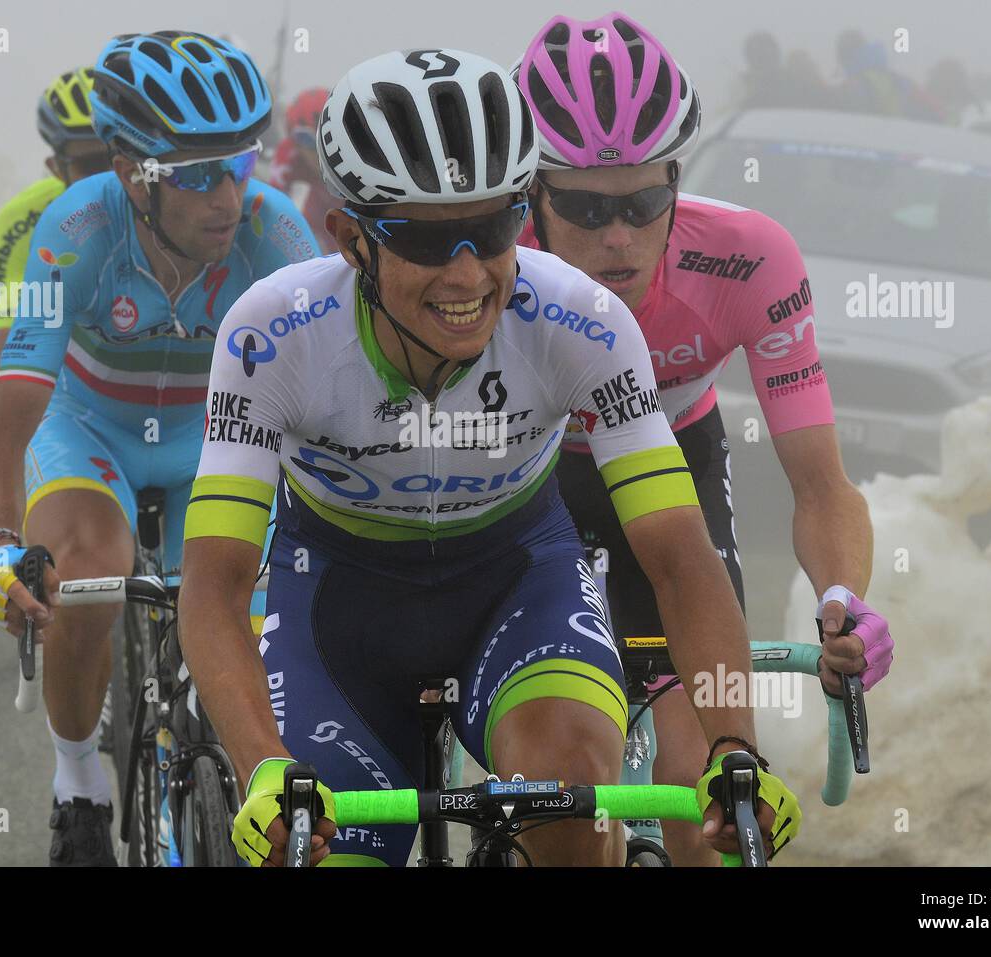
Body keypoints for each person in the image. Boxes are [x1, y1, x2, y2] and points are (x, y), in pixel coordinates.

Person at [179, 46, 803, 868]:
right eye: (429, 241)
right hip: (338, 605)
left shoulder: (582, 320)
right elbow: (215, 583)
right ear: (351, 240)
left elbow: (683, 559)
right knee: (318, 848)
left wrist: (734, 746)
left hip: (518, 580)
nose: (468, 272)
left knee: (576, 804)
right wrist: (264, 766)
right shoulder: (273, 335)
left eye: (493, 226)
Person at [514, 12, 894, 865]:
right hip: (531, 480)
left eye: (645, 203)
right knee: (573, 785)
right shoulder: (487, 266)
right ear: (531, 196)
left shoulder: (753, 259)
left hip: (676, 466)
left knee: (704, 792)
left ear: (677, 184)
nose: (617, 234)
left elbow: (821, 485)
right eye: (581, 205)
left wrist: (844, 596)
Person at [0, 30, 318, 867]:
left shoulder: (277, 231)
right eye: (195, 175)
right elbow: (5, 429)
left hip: (214, 437)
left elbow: (327, 412)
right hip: (90, 429)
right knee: (89, 568)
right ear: (132, 176)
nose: (227, 197)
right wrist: (3, 549)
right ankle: (78, 780)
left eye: (238, 164)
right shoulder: (77, 229)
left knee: (258, 618)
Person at [0, 68, 112, 406]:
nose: (109, 177)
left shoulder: (180, 208)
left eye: (117, 157)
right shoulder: (23, 221)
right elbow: (7, 344)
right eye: (92, 163)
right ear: (56, 167)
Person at [267, 86, 338, 253]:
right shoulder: (288, 155)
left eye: (326, 140)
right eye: (305, 138)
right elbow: (272, 214)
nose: (317, 153)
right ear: (295, 143)